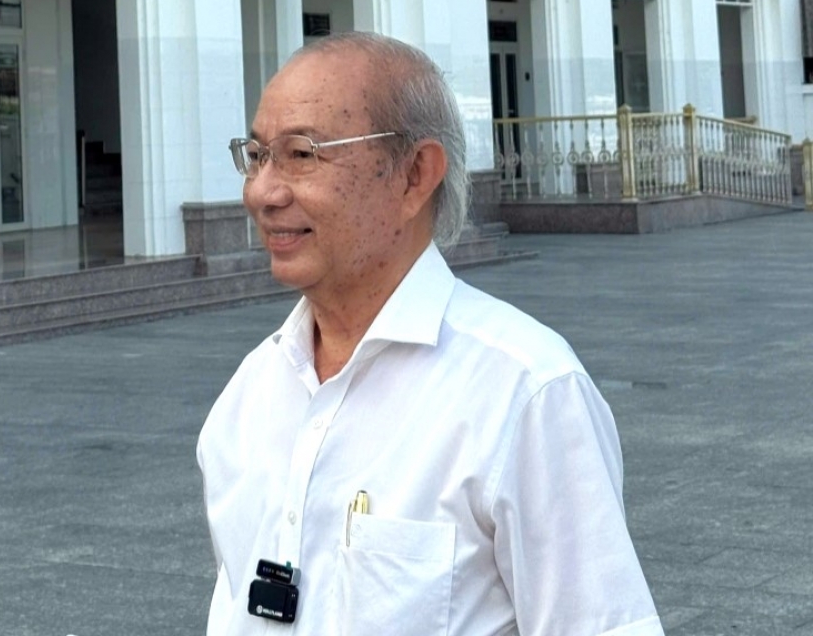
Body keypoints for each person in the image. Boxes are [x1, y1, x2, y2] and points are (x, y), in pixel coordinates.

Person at [197, 32, 663, 635]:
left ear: (416, 174)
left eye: (303, 154)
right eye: (257, 155)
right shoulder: (250, 396)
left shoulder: (523, 392)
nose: (263, 191)